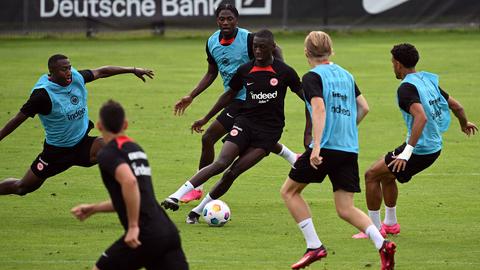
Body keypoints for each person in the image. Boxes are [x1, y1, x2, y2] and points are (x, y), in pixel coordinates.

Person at [163, 29, 305, 224]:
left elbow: (305, 96)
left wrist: (319, 111)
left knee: (232, 172)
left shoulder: (284, 72)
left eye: (262, 47)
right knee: (221, 163)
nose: (257, 51)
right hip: (245, 122)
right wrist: (205, 118)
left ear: (272, 48)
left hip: (269, 132)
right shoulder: (245, 70)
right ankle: (176, 195)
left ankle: (197, 210)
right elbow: (229, 95)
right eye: (255, 47)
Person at [280, 31, 396, 270]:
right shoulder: (346, 74)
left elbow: (319, 109)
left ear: (306, 53)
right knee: (345, 208)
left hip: (325, 147)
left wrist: (317, 145)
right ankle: (382, 244)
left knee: (289, 192)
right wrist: (347, 129)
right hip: (348, 149)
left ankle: (314, 246)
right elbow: (364, 107)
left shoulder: (312, 76)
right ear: (331, 51)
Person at [353, 43, 477, 238]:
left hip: (421, 150)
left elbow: (421, 117)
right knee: (386, 175)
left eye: (392, 62)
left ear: (398, 64)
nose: (392, 66)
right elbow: (457, 106)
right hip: (433, 147)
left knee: (371, 175)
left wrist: (407, 152)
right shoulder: (427, 80)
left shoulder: (405, 89)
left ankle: (373, 230)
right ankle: (391, 224)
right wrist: (463, 123)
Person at [0, 54, 154, 196]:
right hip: (56, 153)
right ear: (52, 72)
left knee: (113, 148)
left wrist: (132, 70)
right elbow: (17, 119)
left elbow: (102, 72)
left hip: (82, 144)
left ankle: (132, 194)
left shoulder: (76, 78)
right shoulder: (42, 96)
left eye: (69, 67)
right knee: (22, 187)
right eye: (64, 69)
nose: (69, 72)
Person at [71, 100, 189, 270]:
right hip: (167, 231)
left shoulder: (108, 153)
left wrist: (134, 226)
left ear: (99, 126)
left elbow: (129, 182)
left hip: (145, 234)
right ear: (125, 124)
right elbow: (134, 196)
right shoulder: (136, 149)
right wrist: (94, 208)